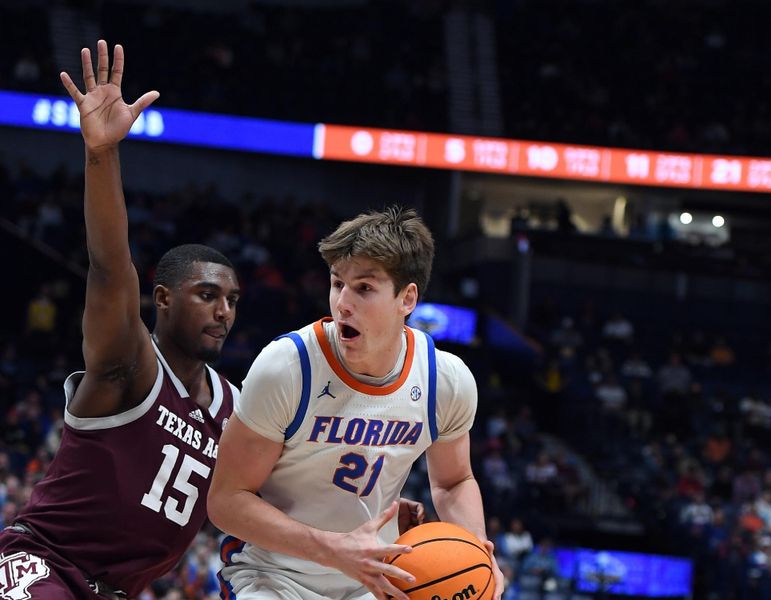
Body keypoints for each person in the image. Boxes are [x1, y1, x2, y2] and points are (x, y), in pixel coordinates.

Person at [0, 41, 242, 599]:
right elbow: (110, 267)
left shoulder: (237, 407)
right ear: (161, 298)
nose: (223, 309)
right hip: (42, 566)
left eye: (231, 298)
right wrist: (101, 154)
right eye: (206, 294)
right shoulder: (128, 364)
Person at [208, 207, 504, 600]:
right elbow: (226, 501)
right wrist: (333, 550)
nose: (343, 303)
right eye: (337, 284)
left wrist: (478, 551)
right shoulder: (288, 367)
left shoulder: (444, 380)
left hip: (373, 579)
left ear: (407, 298)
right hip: (275, 576)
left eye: (364, 288)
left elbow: (453, 483)